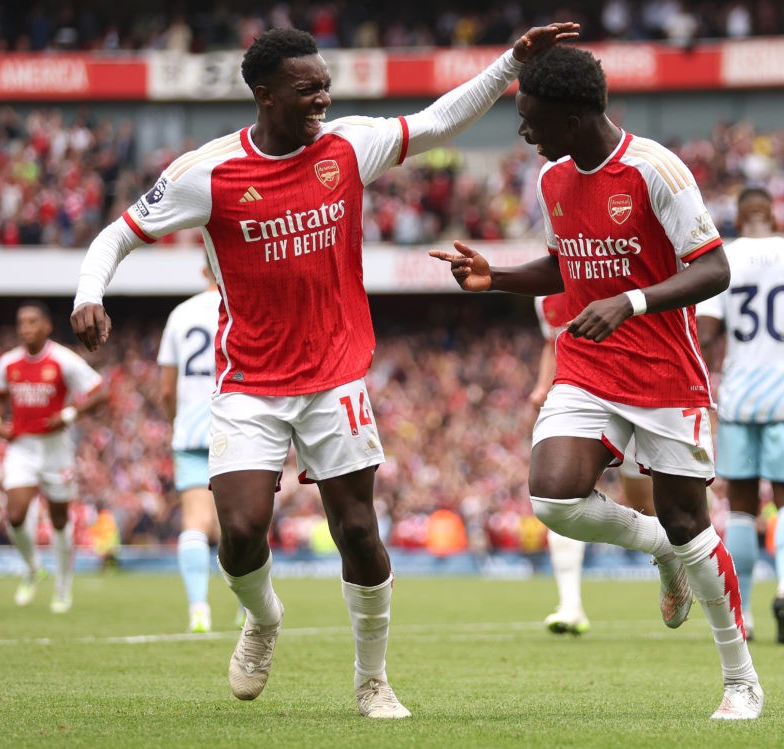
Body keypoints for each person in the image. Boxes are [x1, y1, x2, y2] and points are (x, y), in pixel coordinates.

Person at [69, 22, 580, 718]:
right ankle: (264, 616)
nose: (323, 99)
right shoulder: (208, 173)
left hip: (335, 374)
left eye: (325, 87)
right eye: (308, 90)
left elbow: (437, 122)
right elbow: (119, 232)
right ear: (265, 94)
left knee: (358, 530)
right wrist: (88, 293)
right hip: (249, 380)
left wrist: (510, 62)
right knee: (242, 529)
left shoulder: (347, 145)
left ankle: (373, 679)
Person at [431, 44, 763, 720]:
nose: (524, 131)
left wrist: (633, 300)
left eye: (533, 118)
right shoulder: (554, 179)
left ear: (577, 115)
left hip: (666, 374)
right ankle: (657, 546)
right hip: (588, 368)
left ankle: (740, 679)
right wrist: (494, 275)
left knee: (690, 525)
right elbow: (565, 266)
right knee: (552, 497)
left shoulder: (654, 170)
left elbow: (715, 269)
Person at [696, 186, 784, 645]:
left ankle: (746, 615)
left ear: (740, 221)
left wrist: (698, 396)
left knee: (741, 509)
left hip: (740, 397)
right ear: (774, 219)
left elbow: (705, 338)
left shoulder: (724, 259)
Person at [531, 292, 656, 636]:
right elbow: (551, 341)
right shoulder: (546, 293)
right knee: (565, 495)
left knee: (648, 505)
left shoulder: (610, 265)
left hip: (634, 395)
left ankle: (676, 566)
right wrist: (543, 386)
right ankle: (569, 604)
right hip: (579, 400)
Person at [0, 300, 106, 613]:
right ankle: (31, 568)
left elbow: (101, 391)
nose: (25, 328)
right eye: (21, 323)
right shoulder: (8, 363)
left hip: (57, 449)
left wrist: (69, 415)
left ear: (46, 326)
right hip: (23, 448)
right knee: (15, 514)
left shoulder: (63, 360)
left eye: (31, 322)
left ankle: (63, 586)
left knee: (58, 519)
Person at [157, 262, 222, 634]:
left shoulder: (181, 314)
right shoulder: (244, 305)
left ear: (202, 270)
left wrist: (175, 421)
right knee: (240, 523)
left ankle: (199, 607)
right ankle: (249, 609)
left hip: (191, 431)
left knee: (195, 522)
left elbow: (167, 389)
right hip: (238, 427)